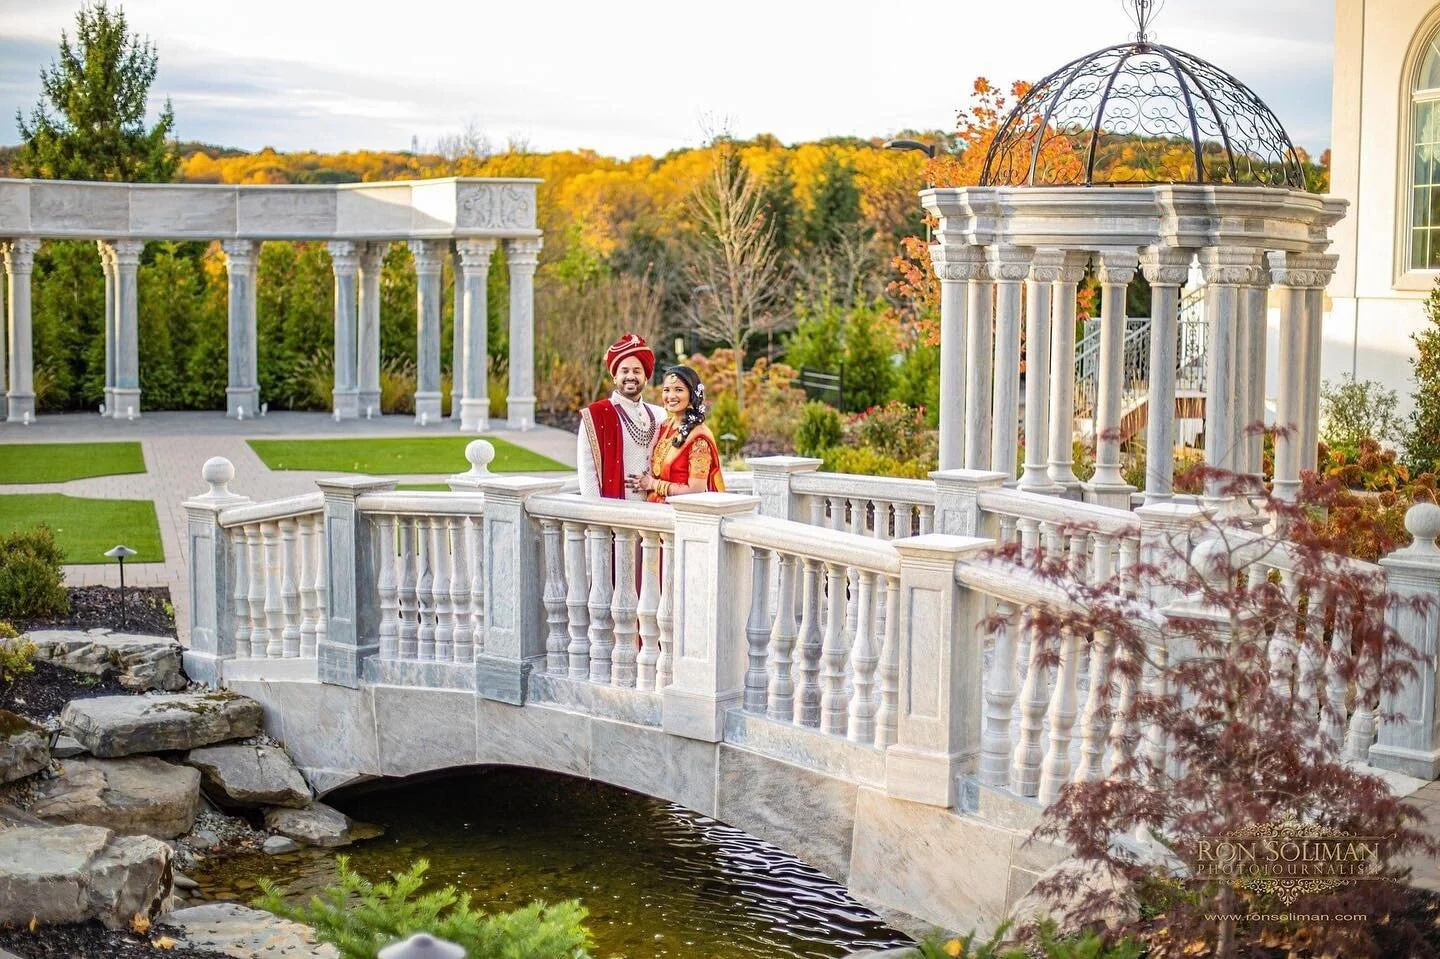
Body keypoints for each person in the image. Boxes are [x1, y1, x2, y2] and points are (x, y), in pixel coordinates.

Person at [577, 333, 665, 501]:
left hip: (656, 509)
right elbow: (587, 473)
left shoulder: (660, 415)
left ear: (646, 378)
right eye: (624, 371)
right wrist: (597, 513)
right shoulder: (595, 416)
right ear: (615, 377)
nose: (630, 376)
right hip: (616, 511)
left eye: (637, 371)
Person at [630, 365, 726, 502]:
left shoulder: (699, 439)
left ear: (692, 395)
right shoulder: (664, 426)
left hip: (678, 510)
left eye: (679, 390)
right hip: (653, 507)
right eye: (666, 390)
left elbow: (696, 490)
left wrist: (654, 484)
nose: (671, 396)